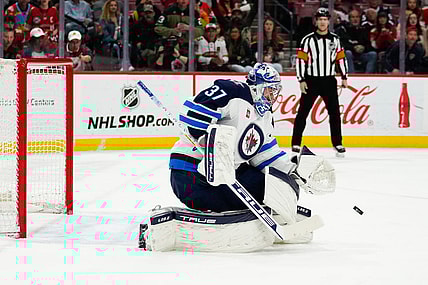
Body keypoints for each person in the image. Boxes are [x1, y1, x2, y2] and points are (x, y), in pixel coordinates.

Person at [139, 62, 335, 252]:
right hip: (191, 174)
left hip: (227, 175)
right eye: (269, 90)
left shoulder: (265, 117)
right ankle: (175, 226)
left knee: (273, 185)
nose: (273, 96)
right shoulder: (235, 92)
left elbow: (265, 155)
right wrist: (208, 140)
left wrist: (292, 170)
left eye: (275, 91)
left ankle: (263, 216)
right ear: (257, 87)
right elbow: (193, 114)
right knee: (255, 188)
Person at [293, 8, 348, 157]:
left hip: (329, 80)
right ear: (316, 21)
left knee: (334, 113)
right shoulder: (307, 40)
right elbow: (301, 61)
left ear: (328, 21)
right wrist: (301, 79)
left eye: (325, 19)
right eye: (320, 19)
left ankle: (337, 143)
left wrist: (344, 76)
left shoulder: (335, 39)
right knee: (303, 112)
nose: (323, 22)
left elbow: (341, 58)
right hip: (311, 80)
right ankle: (296, 143)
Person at [335, 9, 377, 73]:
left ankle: (368, 77)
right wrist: (353, 47)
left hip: (361, 54)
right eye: (353, 17)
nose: (355, 19)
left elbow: (369, 44)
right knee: (348, 53)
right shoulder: (343, 29)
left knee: (373, 54)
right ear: (349, 19)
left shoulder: (364, 29)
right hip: (349, 54)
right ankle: (351, 76)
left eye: (357, 17)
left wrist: (363, 48)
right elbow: (342, 44)